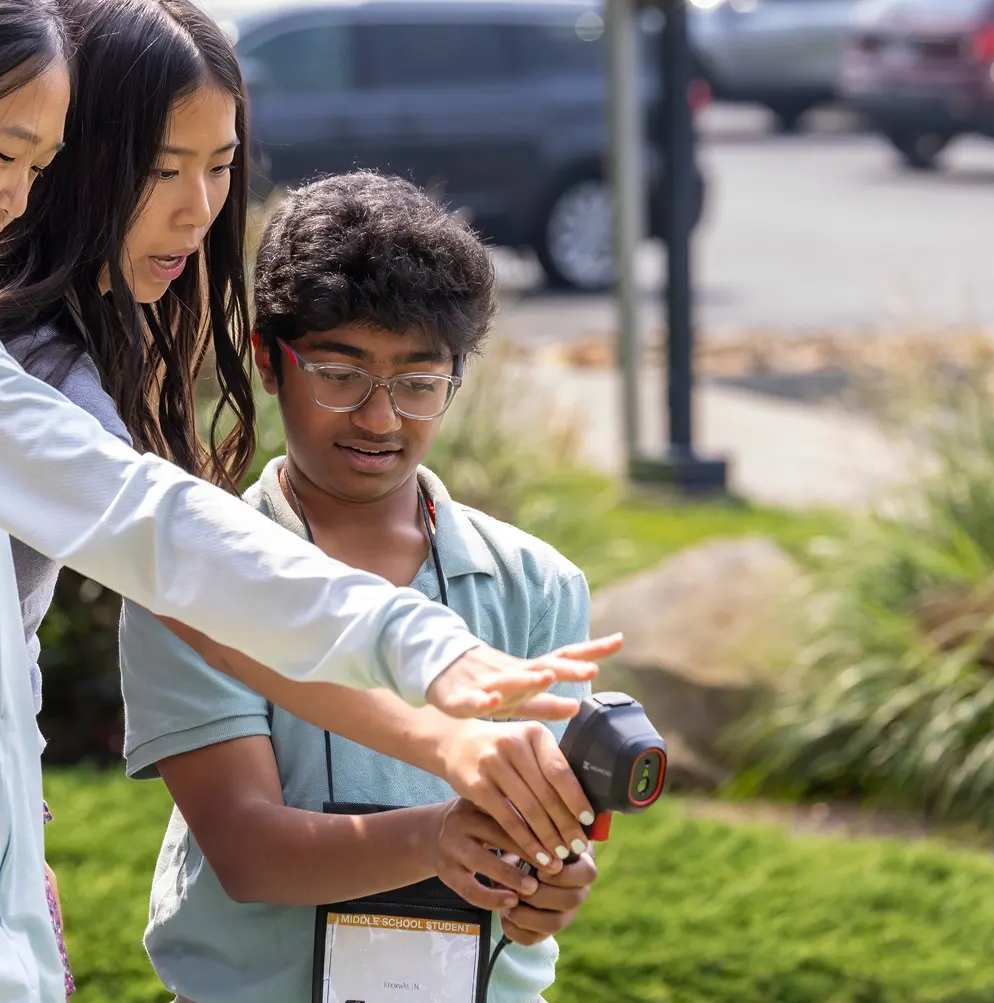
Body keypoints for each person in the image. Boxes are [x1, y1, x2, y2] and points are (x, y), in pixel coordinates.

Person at [0, 4, 611, 1002]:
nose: (199, 207)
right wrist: (428, 659)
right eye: (10, 151)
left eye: (221, 166)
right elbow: (152, 531)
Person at [0, 0, 604, 989]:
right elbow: (209, 605)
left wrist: (534, 872)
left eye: (219, 166)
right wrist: (438, 738)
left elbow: (546, 846)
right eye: (161, 167)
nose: (196, 207)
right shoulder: (7, 376)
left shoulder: (534, 581)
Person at [119, 171, 603, 1003]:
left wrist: (548, 888)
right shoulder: (194, 571)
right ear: (271, 361)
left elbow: (551, 858)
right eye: (341, 374)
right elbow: (247, 849)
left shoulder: (537, 584)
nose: (381, 418)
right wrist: (444, 839)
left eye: (419, 383)